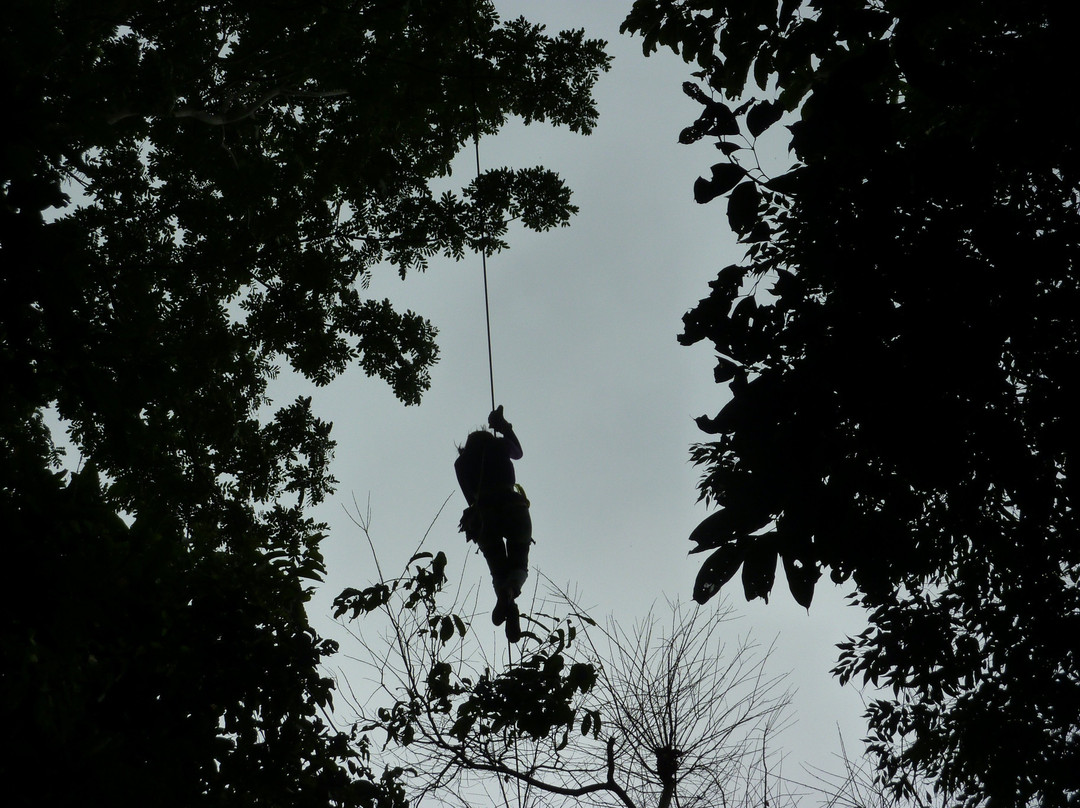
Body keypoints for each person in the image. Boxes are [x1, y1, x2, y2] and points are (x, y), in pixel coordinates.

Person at [455, 406, 531, 643]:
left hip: (485, 514)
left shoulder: (462, 463)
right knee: (519, 558)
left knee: (498, 565)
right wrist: (503, 426)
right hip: (513, 508)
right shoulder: (499, 447)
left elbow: (470, 497)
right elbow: (517, 452)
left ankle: (505, 593)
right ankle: (509, 592)